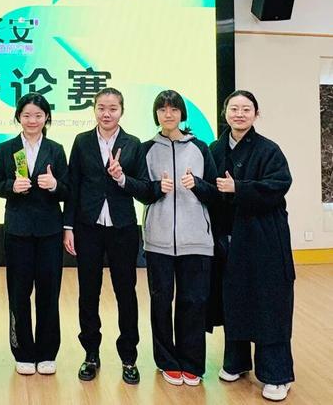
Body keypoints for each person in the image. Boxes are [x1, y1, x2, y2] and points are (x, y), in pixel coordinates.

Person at [210, 90, 295, 402]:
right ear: (225, 113)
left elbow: (279, 185)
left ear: (256, 114)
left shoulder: (269, 150)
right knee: (234, 298)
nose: (239, 114)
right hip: (230, 237)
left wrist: (239, 187)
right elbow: (210, 190)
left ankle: (277, 374)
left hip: (264, 238)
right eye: (234, 108)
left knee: (269, 303)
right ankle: (236, 361)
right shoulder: (215, 149)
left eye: (246, 109)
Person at [63, 87, 148, 384]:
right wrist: (68, 227)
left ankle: (129, 357)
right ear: (94, 109)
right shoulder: (82, 141)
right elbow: (73, 185)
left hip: (123, 229)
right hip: (87, 227)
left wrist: (121, 178)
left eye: (112, 108)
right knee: (88, 293)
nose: (106, 113)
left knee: (126, 293)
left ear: (122, 111)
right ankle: (91, 354)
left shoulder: (133, 144)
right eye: (101, 107)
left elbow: (144, 188)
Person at [140, 90, 217, 386]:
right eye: (162, 109)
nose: (168, 114)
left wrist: (196, 184)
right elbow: (140, 191)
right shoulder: (147, 149)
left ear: (182, 114)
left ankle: (192, 363)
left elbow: (215, 193)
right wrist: (156, 188)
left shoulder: (200, 147)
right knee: (161, 302)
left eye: (173, 109)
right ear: (156, 114)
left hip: (196, 240)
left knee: (194, 302)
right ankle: (167, 361)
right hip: (158, 240)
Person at [0, 92, 69, 376]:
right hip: (18, 231)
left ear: (46, 117)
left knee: (49, 293)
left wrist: (55, 185)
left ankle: (47, 352)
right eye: (26, 115)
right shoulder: (7, 148)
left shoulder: (56, 149)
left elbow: (68, 189)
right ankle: (22, 351)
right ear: (18, 117)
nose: (32, 120)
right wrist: (11, 186)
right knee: (19, 293)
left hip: (49, 232)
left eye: (38, 115)